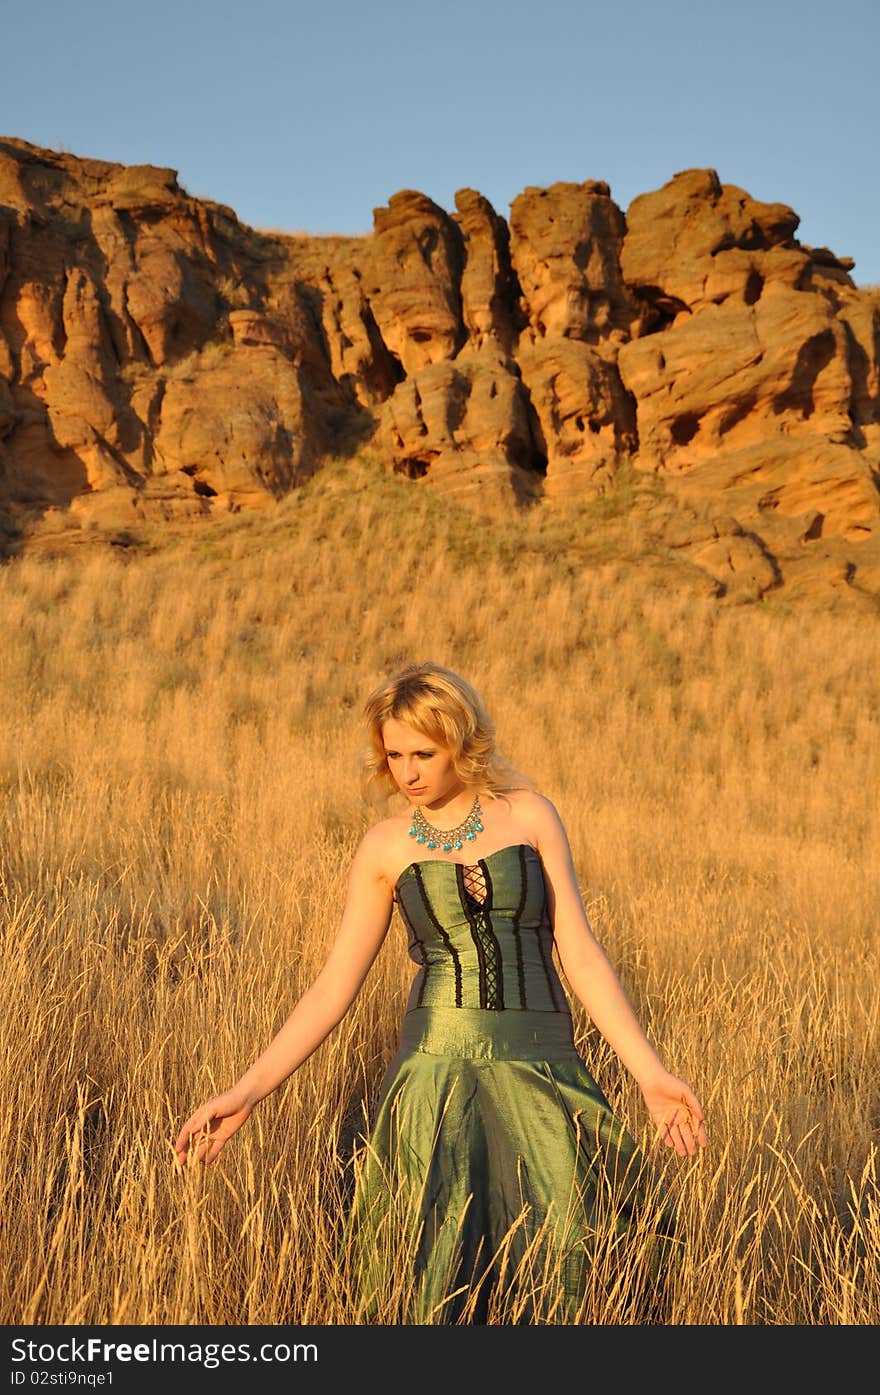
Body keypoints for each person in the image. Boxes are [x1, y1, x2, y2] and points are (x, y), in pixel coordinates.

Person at [174, 661, 708, 1324]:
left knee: (576, 1256)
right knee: (434, 1273)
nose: (408, 771)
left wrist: (650, 1073)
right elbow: (332, 987)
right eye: (394, 754)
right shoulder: (383, 846)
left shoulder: (531, 816)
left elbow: (582, 954)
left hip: (542, 1065)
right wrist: (247, 1091)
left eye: (423, 752)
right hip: (434, 1081)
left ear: (464, 741)